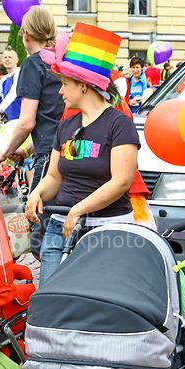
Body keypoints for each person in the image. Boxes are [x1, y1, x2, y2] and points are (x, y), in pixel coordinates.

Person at [25, 23, 140, 285]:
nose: (60, 91)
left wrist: (78, 210)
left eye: (65, 84)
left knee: (100, 304)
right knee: (52, 299)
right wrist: (37, 194)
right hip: (60, 226)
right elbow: (54, 176)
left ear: (84, 86)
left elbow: (121, 181)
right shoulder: (66, 125)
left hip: (108, 229)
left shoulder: (118, 123)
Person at [0, 6, 64, 190]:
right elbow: (55, 118)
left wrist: (4, 153)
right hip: (73, 151)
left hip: (49, 156)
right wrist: (26, 149)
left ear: (26, 34)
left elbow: (26, 123)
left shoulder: (33, 64)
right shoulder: (62, 59)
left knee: (39, 214)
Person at [0, 46, 22, 121]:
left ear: (17, 60)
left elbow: (13, 93)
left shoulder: (20, 73)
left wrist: (0, 109)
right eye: (5, 57)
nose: (7, 59)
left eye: (10, 57)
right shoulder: (4, 79)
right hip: (10, 120)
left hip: (21, 118)